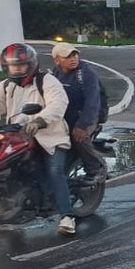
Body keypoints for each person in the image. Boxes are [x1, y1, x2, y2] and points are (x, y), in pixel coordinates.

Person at [0, 43, 74, 235]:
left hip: (49, 135)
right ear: (7, 67)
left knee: (54, 170)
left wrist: (40, 120)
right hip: (19, 135)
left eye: (21, 66)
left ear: (30, 64)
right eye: (13, 66)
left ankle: (67, 216)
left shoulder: (46, 81)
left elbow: (58, 103)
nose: (17, 69)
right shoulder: (7, 86)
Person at [50, 43, 107, 183]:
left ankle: (95, 168)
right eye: (67, 56)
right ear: (57, 60)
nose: (73, 58)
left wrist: (83, 125)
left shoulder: (86, 72)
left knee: (78, 137)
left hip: (89, 115)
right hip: (67, 114)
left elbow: (93, 101)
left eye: (75, 55)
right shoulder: (55, 73)